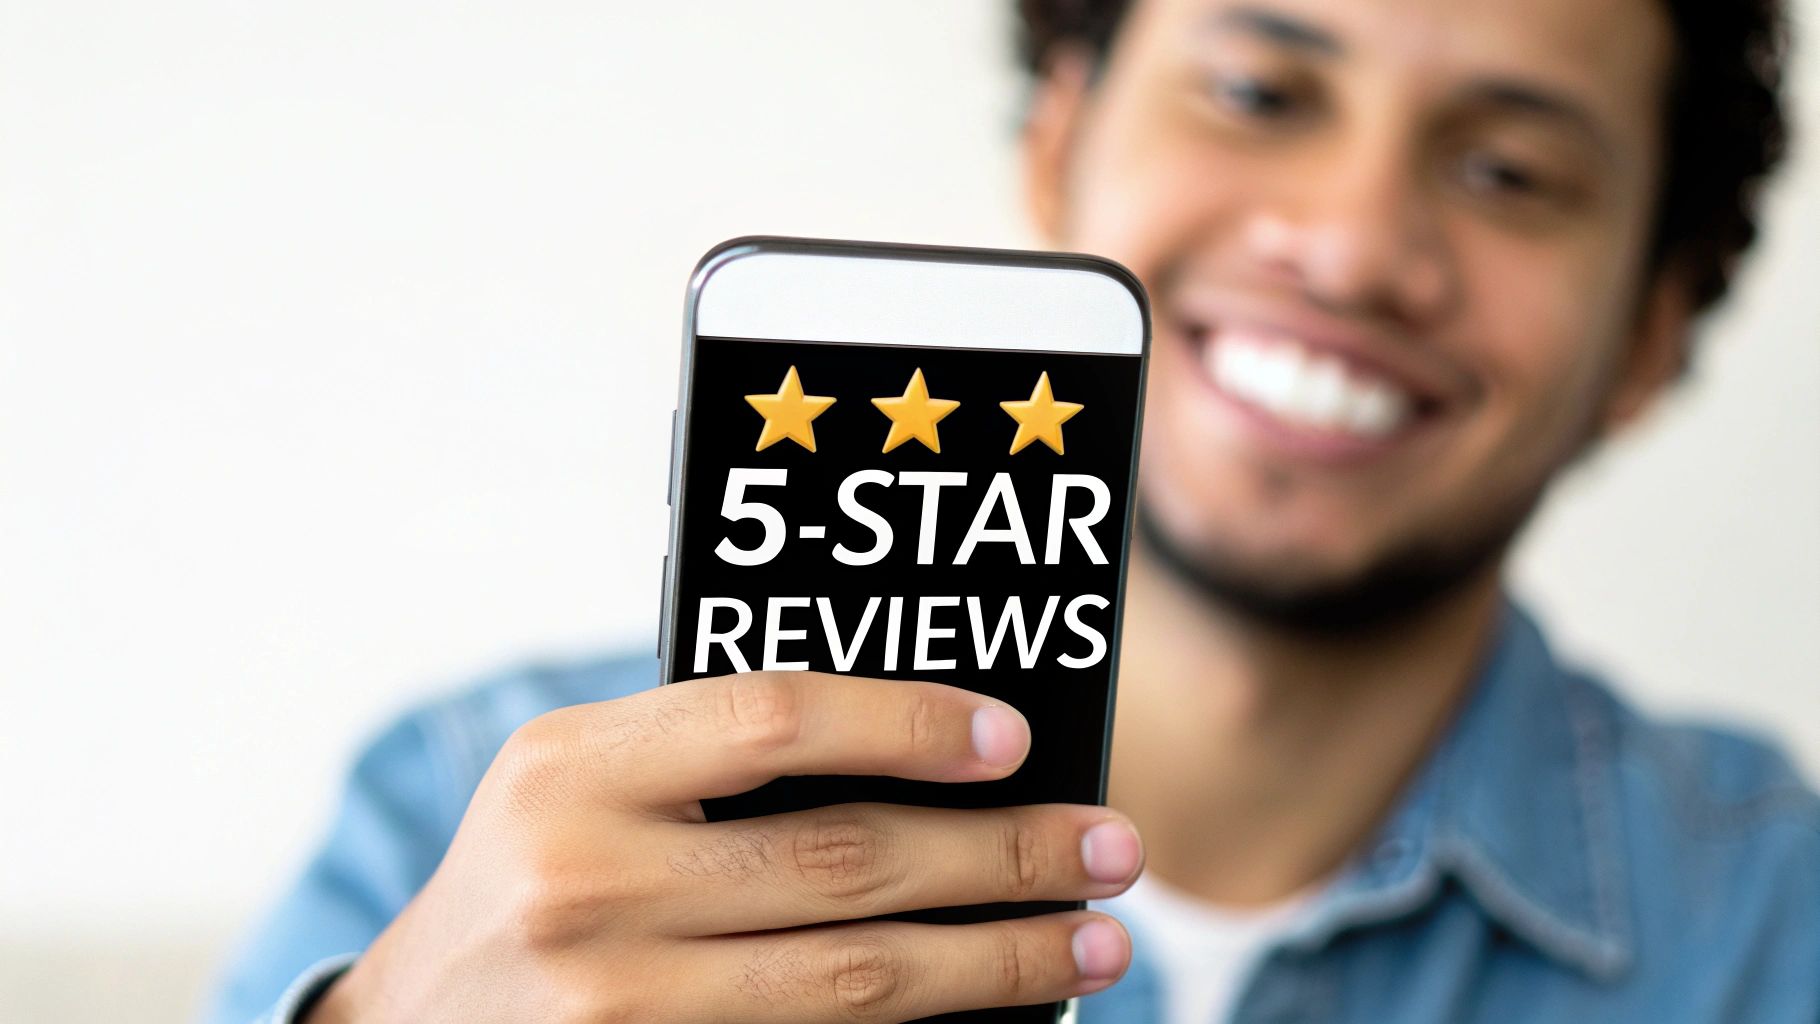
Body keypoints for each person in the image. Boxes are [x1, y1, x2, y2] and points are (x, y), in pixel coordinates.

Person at [210, 0, 1816, 1021]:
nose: (1348, 246)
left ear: (1652, 332)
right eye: (1259, 91)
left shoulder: (1773, 924)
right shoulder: (473, 825)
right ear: (1060, 142)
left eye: (1510, 173)